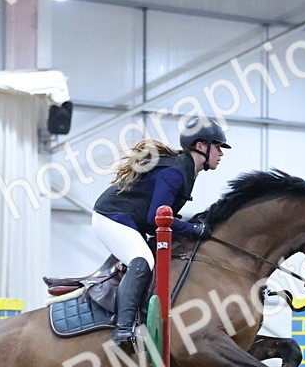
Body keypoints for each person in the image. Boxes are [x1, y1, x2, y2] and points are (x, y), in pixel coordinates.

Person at [92, 116, 231, 352]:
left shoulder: (187, 170)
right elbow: (156, 218)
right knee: (143, 260)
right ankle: (123, 329)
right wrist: (194, 229)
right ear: (201, 146)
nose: (221, 153)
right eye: (217, 146)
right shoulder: (175, 172)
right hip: (111, 218)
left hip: (130, 220)